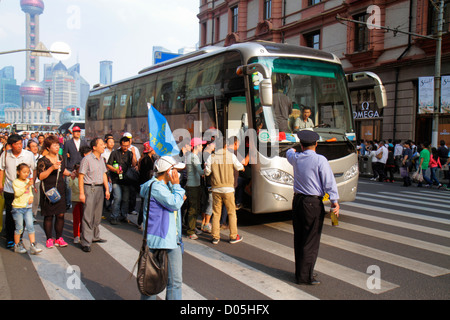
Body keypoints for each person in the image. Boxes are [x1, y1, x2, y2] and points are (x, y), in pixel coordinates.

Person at [287, 130, 339, 285]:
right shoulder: (320, 160)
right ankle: (305, 277)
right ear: (316, 144)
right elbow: (329, 182)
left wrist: (293, 148)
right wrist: (334, 201)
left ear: (302, 145)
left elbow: (289, 152)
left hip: (297, 202)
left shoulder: (295, 158)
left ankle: (300, 273)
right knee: (311, 240)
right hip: (312, 204)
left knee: (300, 238)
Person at [140, 156, 186, 300]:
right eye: (175, 170)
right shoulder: (156, 187)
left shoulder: (166, 187)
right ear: (168, 171)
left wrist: (175, 189)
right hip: (159, 240)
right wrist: (177, 187)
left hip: (173, 239)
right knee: (152, 281)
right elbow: (174, 203)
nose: (178, 174)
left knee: (175, 282)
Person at [204, 136, 244, 245]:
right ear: (226, 145)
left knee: (216, 213)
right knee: (231, 212)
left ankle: (215, 237)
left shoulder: (211, 157)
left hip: (216, 188)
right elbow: (240, 167)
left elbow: (207, 172)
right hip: (229, 189)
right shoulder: (231, 156)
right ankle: (233, 236)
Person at [0, 134, 37, 249]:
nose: (19, 146)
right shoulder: (6, 154)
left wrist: (32, 182)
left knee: (24, 214)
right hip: (9, 189)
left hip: (25, 190)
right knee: (11, 216)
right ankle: (10, 239)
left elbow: (34, 169)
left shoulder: (28, 155)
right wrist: (0, 185)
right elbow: (1, 169)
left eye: (20, 143)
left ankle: (19, 238)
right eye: (16, 144)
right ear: (11, 145)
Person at [38, 135, 71, 249]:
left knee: (60, 215)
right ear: (47, 147)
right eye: (54, 145)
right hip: (48, 190)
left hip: (60, 189)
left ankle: (59, 238)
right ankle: (49, 239)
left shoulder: (60, 157)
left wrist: (72, 173)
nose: (57, 147)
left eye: (58, 144)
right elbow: (41, 176)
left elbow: (63, 170)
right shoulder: (43, 160)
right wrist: (52, 168)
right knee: (49, 216)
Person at [78, 137, 110, 252]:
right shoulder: (86, 159)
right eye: (101, 144)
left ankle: (95, 236)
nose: (104, 146)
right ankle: (86, 241)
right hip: (89, 188)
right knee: (88, 215)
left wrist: (107, 189)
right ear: (94, 147)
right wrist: (81, 193)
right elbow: (80, 176)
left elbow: (104, 174)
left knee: (97, 214)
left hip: (99, 188)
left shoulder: (101, 159)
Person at [11, 163, 42, 254]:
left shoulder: (28, 181)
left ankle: (33, 245)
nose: (26, 174)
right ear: (18, 172)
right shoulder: (16, 182)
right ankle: (17, 245)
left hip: (28, 208)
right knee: (19, 228)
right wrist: (27, 186)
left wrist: (31, 196)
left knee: (30, 226)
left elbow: (30, 192)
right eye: (24, 172)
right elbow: (17, 193)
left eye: (28, 172)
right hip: (18, 208)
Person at [106, 136, 137, 225]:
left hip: (127, 180)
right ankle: (114, 216)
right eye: (124, 146)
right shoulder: (115, 153)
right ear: (120, 145)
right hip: (116, 179)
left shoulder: (130, 153)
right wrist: (115, 170)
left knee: (125, 199)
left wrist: (134, 153)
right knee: (117, 198)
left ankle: (124, 216)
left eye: (127, 146)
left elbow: (134, 164)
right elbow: (108, 165)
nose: (125, 147)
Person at [63, 126, 88, 210]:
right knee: (68, 185)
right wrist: (65, 167)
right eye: (76, 131)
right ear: (72, 133)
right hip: (70, 166)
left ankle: (79, 200)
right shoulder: (67, 143)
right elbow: (64, 156)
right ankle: (68, 202)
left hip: (81, 166)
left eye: (79, 132)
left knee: (79, 184)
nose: (77, 133)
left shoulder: (84, 142)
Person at [185, 137, 206, 239]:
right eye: (201, 145)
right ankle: (190, 231)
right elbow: (201, 172)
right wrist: (207, 167)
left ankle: (191, 227)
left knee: (193, 207)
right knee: (193, 208)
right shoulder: (194, 157)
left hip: (192, 185)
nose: (202, 146)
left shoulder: (191, 156)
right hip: (193, 186)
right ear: (197, 146)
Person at [69, 164, 83, 244]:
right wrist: (72, 177)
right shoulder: (74, 179)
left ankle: (82, 233)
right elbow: (70, 186)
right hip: (76, 200)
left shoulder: (85, 178)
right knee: (76, 219)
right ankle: (76, 235)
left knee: (83, 219)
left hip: (84, 201)